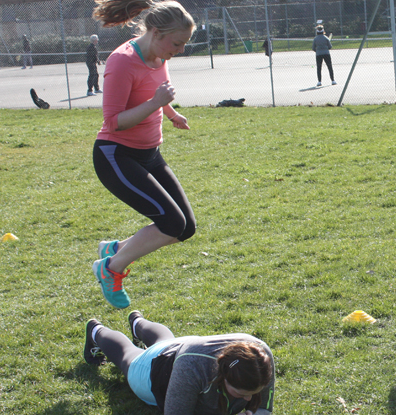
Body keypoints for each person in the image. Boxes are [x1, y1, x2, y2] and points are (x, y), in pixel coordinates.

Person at [90, 0, 196, 309]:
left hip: (150, 153)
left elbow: (154, 93)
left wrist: (171, 113)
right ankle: (110, 268)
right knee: (172, 224)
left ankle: (114, 248)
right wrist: (156, 102)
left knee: (185, 228)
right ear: (155, 32)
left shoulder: (159, 55)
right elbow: (114, 122)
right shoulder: (121, 62)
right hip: (117, 156)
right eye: (176, 43)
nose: (179, 49)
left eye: (183, 44)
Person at [84, 311, 275, 414]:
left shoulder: (260, 358)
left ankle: (137, 322)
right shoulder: (191, 369)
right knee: (128, 356)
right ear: (224, 376)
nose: (248, 399)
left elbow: (264, 408)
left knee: (164, 340)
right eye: (242, 393)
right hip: (157, 369)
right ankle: (96, 330)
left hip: (186, 346)